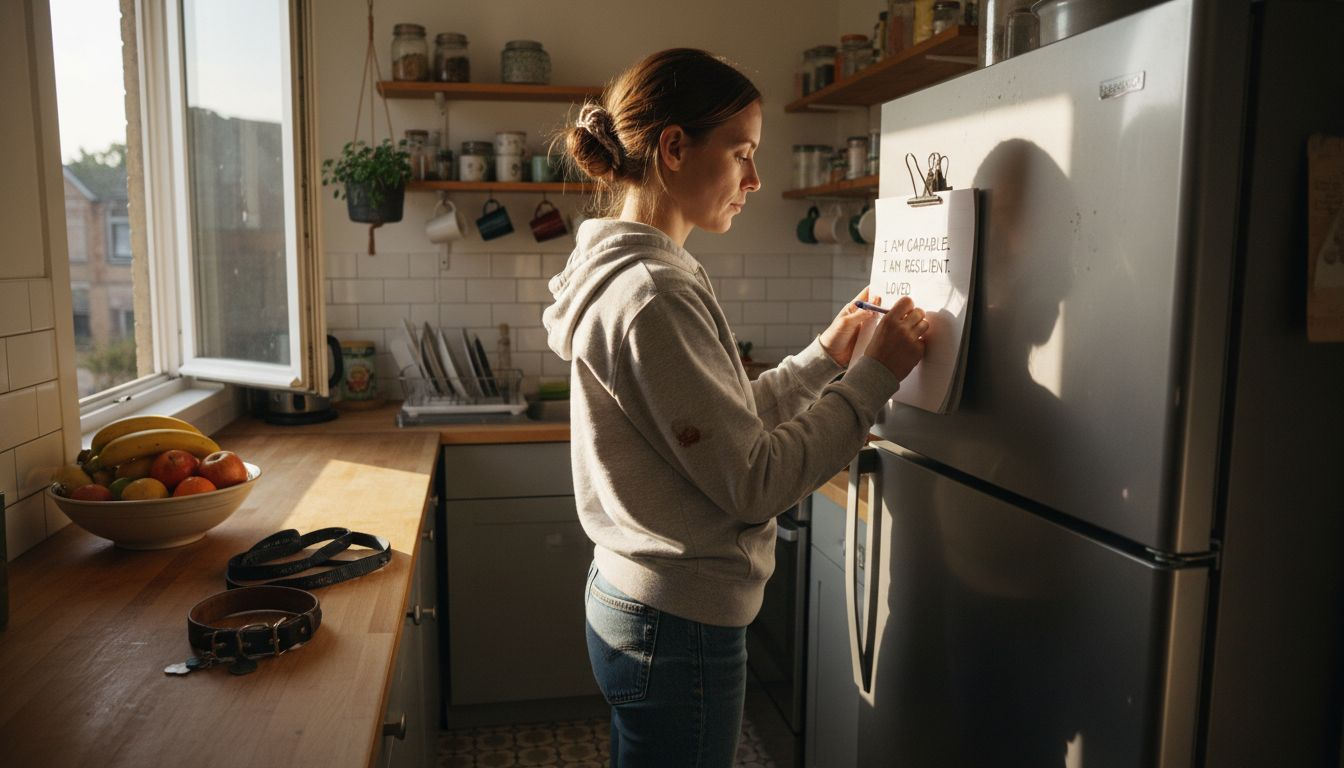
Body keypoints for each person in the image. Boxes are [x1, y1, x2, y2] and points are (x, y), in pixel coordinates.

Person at [543, 48, 929, 767]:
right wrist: (872, 378)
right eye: (743, 153)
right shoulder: (655, 291)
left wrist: (825, 358)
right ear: (675, 147)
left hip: (637, 600)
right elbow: (753, 480)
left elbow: (719, 424)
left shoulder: (634, 271)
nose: (755, 179)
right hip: (676, 620)